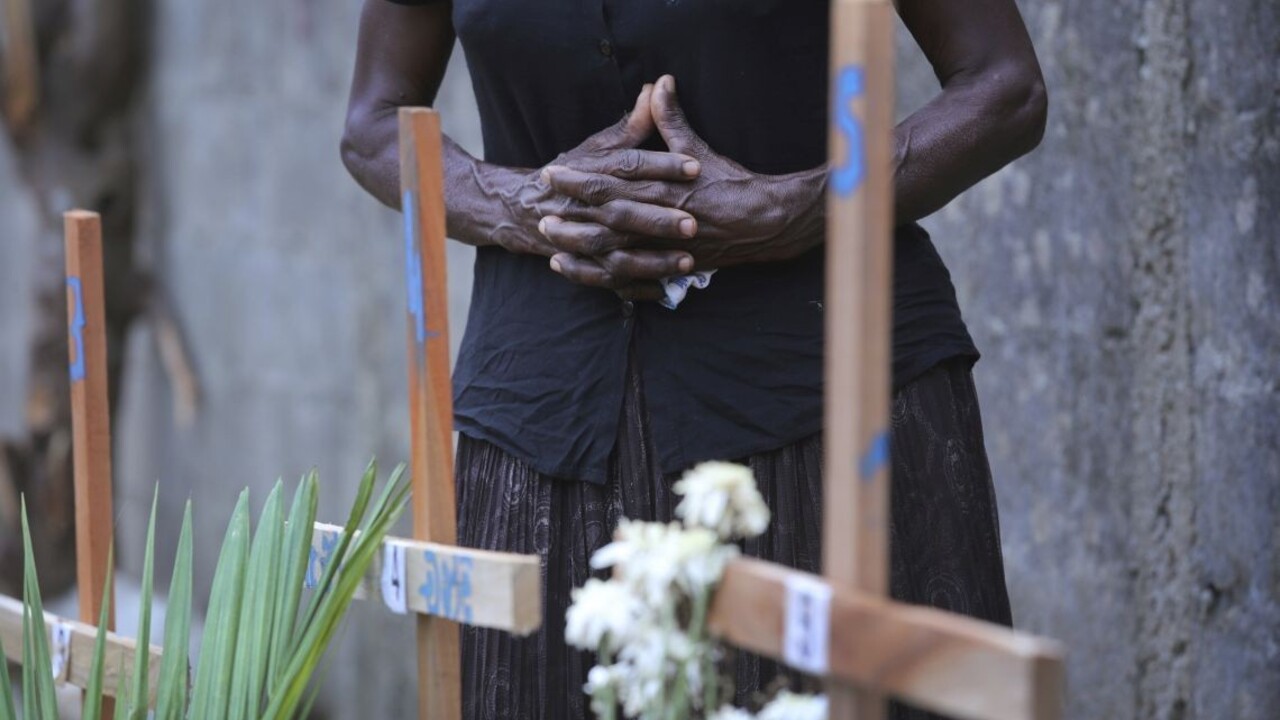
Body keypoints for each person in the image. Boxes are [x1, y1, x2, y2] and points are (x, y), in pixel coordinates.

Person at [341, 1, 1046, 718]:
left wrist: (795, 207)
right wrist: (522, 205)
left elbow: (1005, 88)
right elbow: (374, 124)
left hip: (830, 398)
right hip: (543, 422)